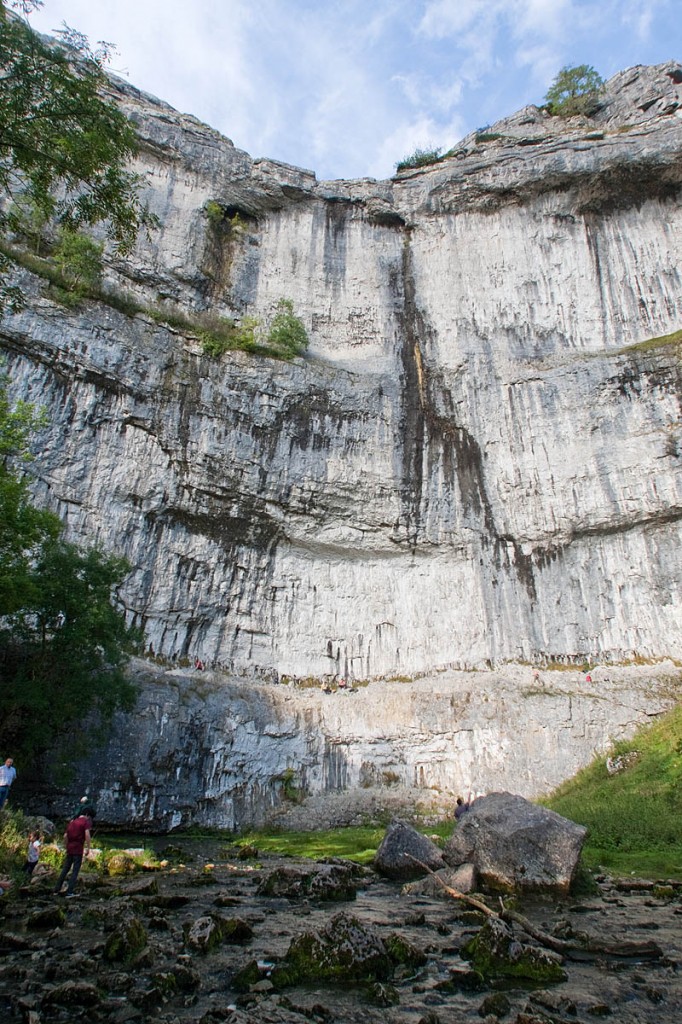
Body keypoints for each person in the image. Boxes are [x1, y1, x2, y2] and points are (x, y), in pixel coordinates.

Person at [53, 807, 94, 898]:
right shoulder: (85, 822)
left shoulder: (72, 822)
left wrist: (66, 846)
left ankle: (56, 889)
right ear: (87, 815)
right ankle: (69, 891)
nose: (89, 819)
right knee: (75, 871)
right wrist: (88, 848)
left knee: (65, 869)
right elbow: (87, 835)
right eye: (89, 817)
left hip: (70, 848)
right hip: (78, 849)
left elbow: (65, 836)